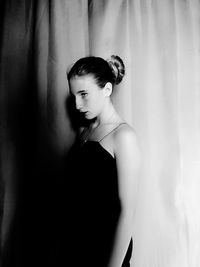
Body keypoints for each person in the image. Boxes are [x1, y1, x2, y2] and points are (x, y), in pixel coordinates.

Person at [66, 55, 141, 267]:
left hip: (105, 252)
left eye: (84, 94)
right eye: (74, 96)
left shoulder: (123, 136)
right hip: (75, 248)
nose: (77, 104)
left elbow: (127, 213)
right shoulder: (85, 131)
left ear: (107, 90)